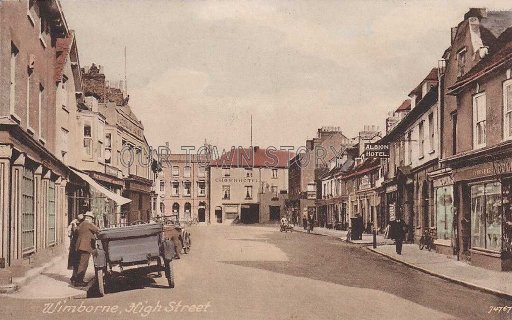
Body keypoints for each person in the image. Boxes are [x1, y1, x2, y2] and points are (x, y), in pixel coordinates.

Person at [74, 211, 99, 287]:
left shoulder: (81, 224)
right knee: (83, 264)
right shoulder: (88, 224)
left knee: (80, 263)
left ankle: (77, 280)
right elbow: (97, 230)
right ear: (89, 218)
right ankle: (79, 282)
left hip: (79, 246)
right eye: (91, 218)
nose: (92, 220)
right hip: (85, 247)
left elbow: (76, 231)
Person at [68, 214, 84, 283]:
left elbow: (69, 234)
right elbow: (75, 233)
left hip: (73, 244)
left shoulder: (73, 223)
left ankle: (74, 276)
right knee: (77, 261)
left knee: (75, 261)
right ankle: (75, 277)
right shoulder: (75, 225)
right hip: (76, 245)